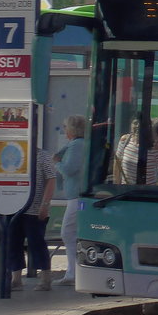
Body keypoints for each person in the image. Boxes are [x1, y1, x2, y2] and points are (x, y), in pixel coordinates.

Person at [11, 147, 57, 291]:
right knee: (13, 242)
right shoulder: (13, 151)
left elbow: (51, 179)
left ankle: (45, 278)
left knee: (37, 242)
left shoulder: (42, 155)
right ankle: (16, 279)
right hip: (14, 207)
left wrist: (45, 204)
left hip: (35, 208)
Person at [53, 115, 86, 287]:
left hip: (76, 196)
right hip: (76, 194)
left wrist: (57, 163)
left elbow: (69, 169)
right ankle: (74, 270)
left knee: (67, 232)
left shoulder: (76, 146)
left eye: (65, 126)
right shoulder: (77, 145)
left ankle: (73, 272)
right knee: (73, 232)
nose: (64, 129)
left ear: (72, 129)